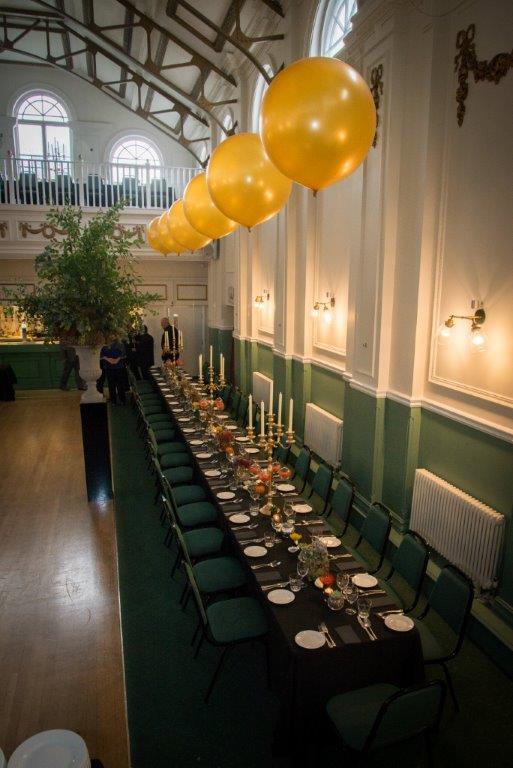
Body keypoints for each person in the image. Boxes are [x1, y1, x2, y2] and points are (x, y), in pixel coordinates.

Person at [99, 338, 126, 404]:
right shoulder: (104, 345)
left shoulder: (120, 344)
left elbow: (124, 354)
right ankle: (114, 400)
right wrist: (108, 359)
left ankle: (122, 400)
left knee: (120, 384)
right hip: (109, 367)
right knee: (111, 385)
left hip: (119, 367)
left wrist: (116, 360)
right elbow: (101, 355)